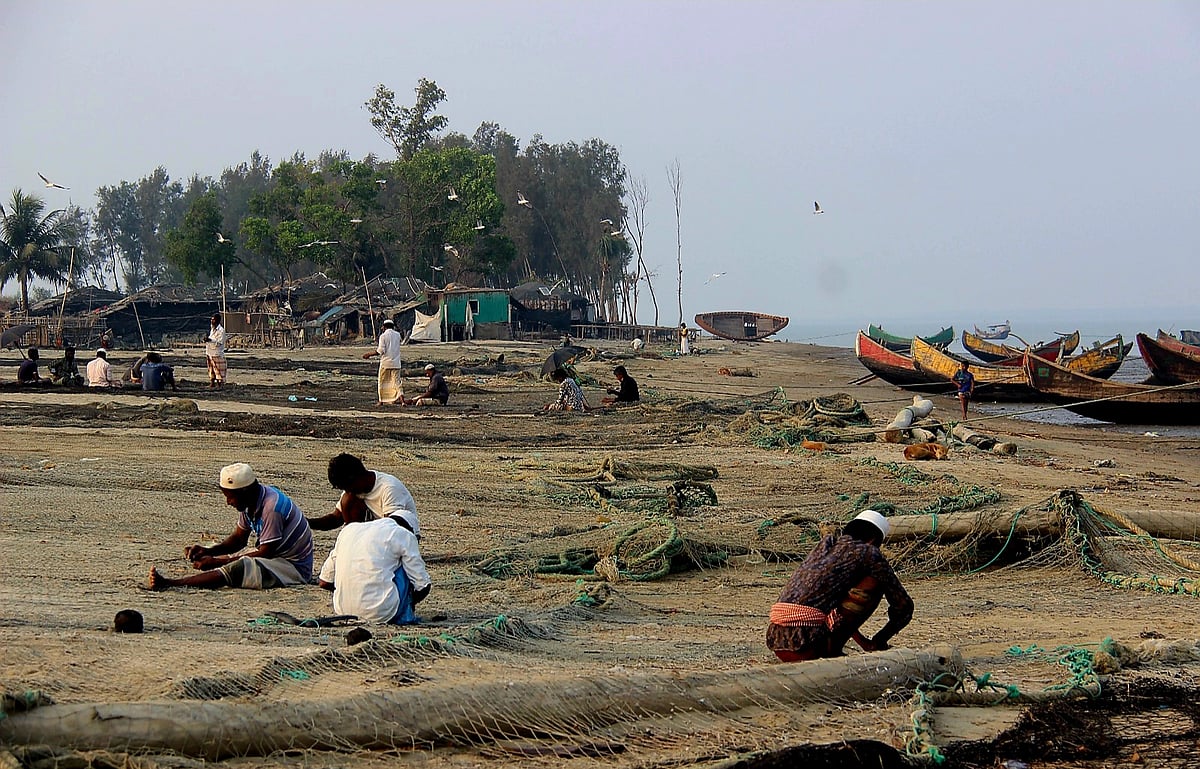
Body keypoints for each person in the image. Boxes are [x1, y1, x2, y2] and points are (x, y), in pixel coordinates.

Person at [766, 510, 912, 662]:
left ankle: (842, 645)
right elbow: (904, 606)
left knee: (832, 594)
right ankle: (835, 648)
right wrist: (881, 639)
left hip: (777, 640)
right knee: (873, 582)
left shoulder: (825, 546)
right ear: (873, 540)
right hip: (807, 645)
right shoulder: (869, 553)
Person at [149, 463, 314, 590]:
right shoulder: (252, 501)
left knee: (237, 568)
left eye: (231, 497)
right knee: (231, 559)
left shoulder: (272, 508)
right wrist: (208, 551)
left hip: (293, 568)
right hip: (276, 557)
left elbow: (266, 553)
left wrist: (218, 562)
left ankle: (171, 583)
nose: (228, 502)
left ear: (245, 492)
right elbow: (239, 539)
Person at [318, 513, 432, 625]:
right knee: (406, 566)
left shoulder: (348, 530)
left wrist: (350, 592)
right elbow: (423, 585)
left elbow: (324, 581)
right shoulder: (404, 534)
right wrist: (410, 603)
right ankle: (403, 614)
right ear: (411, 530)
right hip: (381, 612)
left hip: (342, 610)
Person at [307, 452, 421, 535]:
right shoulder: (354, 490)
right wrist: (306, 522)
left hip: (402, 537)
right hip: (377, 536)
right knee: (347, 500)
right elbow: (335, 519)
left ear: (355, 477)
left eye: (347, 487)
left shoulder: (389, 488)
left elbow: (393, 528)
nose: (347, 491)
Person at [363, 318, 403, 405]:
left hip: (386, 363)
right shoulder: (398, 335)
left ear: (384, 327)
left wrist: (369, 354)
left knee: (382, 382)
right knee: (397, 382)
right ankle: (402, 400)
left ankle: (381, 401)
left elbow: (380, 351)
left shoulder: (383, 336)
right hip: (396, 363)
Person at [205, 312, 227, 389]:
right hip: (209, 352)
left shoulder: (221, 331)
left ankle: (220, 385)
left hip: (217, 353)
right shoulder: (212, 329)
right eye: (211, 319)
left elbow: (220, 342)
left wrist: (210, 340)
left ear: (217, 320)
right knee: (211, 369)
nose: (212, 321)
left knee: (218, 370)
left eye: (213, 320)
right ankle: (212, 383)